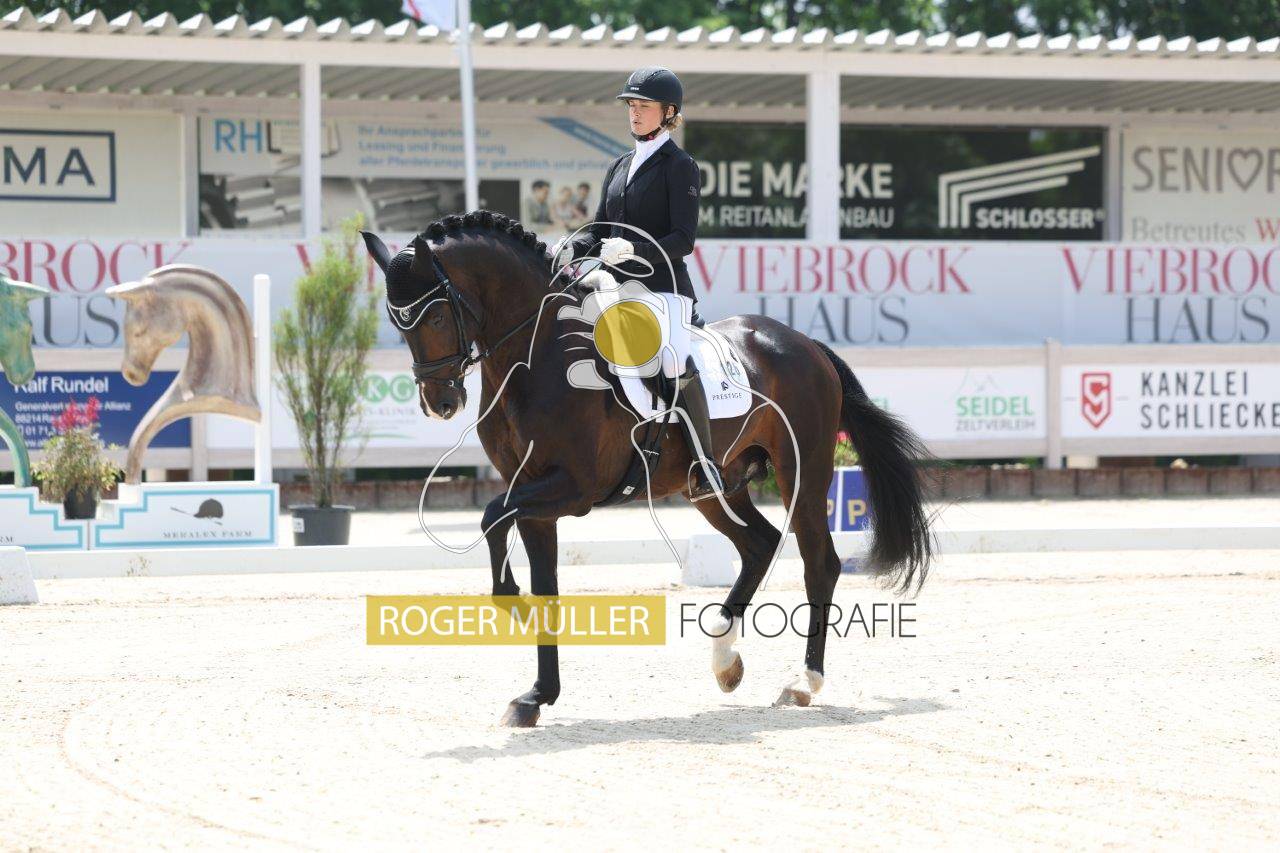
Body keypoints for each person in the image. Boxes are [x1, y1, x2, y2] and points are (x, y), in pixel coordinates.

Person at [552, 66, 724, 501]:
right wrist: (572, 246)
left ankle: (706, 464)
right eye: (631, 105)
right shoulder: (619, 166)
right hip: (614, 287)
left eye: (644, 106)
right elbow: (598, 228)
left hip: (664, 288)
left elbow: (683, 239)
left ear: (669, 113)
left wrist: (634, 250)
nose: (635, 112)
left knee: (672, 360)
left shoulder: (680, 166)